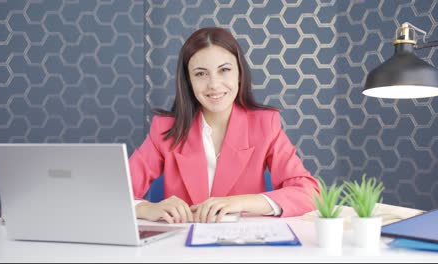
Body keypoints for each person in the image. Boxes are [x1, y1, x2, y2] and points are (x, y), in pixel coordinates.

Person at [129, 27, 319, 224]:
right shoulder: (165, 128)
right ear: (188, 81)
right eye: (201, 74)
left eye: (224, 70)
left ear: (239, 73)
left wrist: (240, 202)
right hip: (182, 246)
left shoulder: (265, 125)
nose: (214, 84)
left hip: (244, 245)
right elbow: (116, 193)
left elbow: (309, 193)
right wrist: (147, 208)